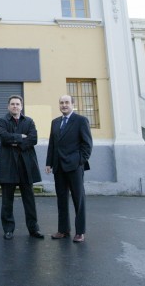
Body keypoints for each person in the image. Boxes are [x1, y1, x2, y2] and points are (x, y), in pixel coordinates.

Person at [45, 95, 93, 243]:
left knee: (78, 199)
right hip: (58, 167)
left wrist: (79, 161)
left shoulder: (81, 120)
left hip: (74, 167)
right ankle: (63, 230)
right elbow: (52, 144)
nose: (64, 105)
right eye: (61, 103)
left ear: (73, 104)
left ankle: (80, 232)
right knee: (61, 199)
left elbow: (87, 145)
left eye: (67, 102)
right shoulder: (55, 122)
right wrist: (49, 163)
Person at [0, 95, 44, 240]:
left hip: (26, 166)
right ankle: (8, 230)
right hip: (9, 165)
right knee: (7, 201)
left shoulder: (29, 121)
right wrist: (21, 137)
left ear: (21, 106)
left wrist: (16, 141)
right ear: (8, 106)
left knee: (29, 200)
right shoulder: (2, 121)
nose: (15, 106)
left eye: (17, 104)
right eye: (12, 104)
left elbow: (33, 139)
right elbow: (3, 137)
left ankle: (33, 229)